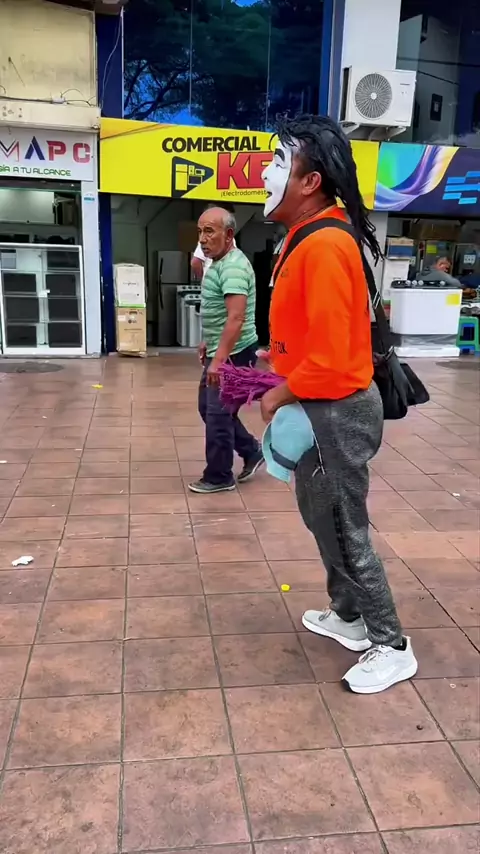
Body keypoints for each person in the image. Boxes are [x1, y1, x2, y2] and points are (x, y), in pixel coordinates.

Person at [259, 114, 418, 694]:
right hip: (321, 407)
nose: (265, 173)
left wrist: (277, 393)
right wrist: (277, 360)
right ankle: (348, 615)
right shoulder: (308, 235)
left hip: (337, 410)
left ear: (310, 182)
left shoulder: (325, 243)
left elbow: (328, 360)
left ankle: (391, 645)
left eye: (279, 163)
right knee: (322, 518)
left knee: (346, 528)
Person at [188, 206, 264, 494]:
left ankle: (219, 476)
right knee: (208, 408)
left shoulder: (232, 267)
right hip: (224, 349)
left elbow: (236, 317)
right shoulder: (218, 263)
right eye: (200, 232)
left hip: (234, 354)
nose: (202, 239)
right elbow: (221, 313)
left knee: (218, 414)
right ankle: (251, 451)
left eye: (209, 231)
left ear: (229, 234)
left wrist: (219, 360)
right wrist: (209, 341)